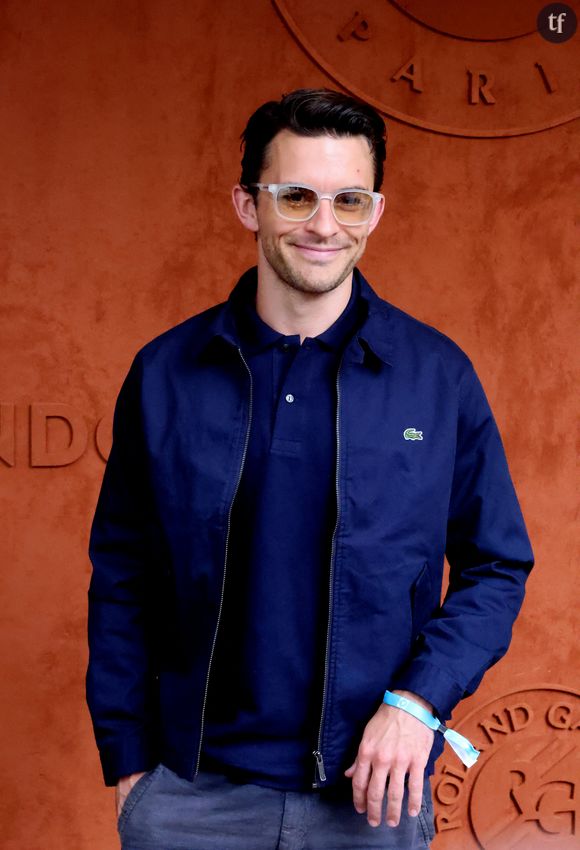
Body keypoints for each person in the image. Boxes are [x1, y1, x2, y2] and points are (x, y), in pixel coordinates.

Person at [86, 88, 534, 850]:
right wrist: (132, 767)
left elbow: (497, 565)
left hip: (368, 801)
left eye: (349, 201)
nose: (324, 226)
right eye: (296, 196)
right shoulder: (166, 374)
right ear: (247, 205)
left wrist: (418, 705)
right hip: (193, 798)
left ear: (376, 212)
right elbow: (123, 571)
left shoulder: (436, 376)